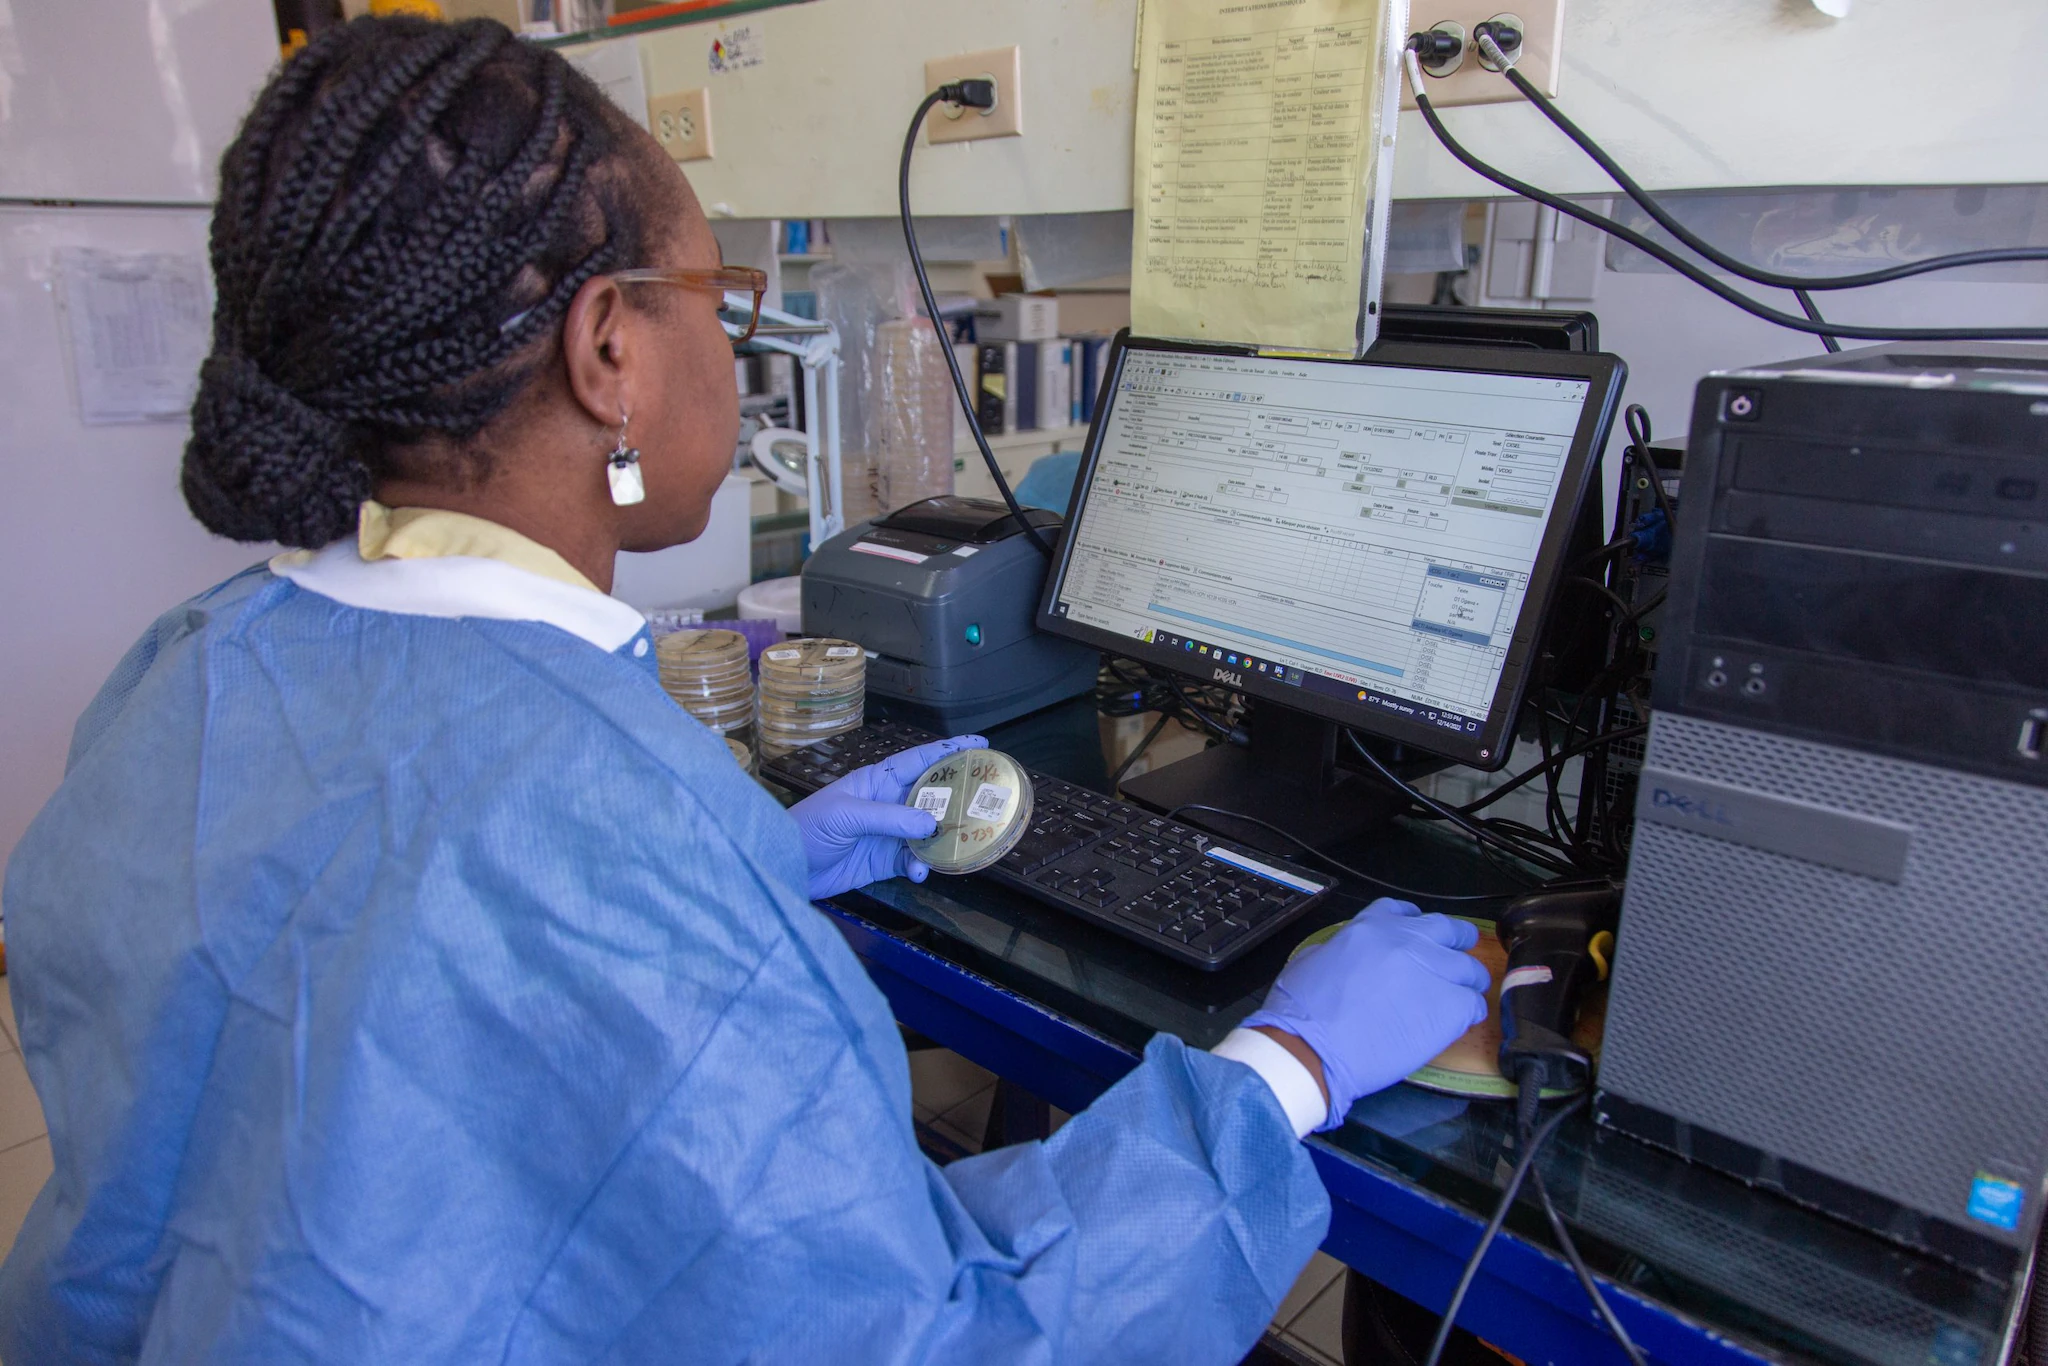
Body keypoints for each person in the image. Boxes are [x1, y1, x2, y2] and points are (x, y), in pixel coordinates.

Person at [0, 18, 1491, 1364]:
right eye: (716, 294)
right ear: (609, 354)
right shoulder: (590, 816)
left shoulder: (186, 677)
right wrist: (1285, 1068)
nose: (734, 338)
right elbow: (937, 1343)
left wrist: (762, 856)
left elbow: (370, 990)